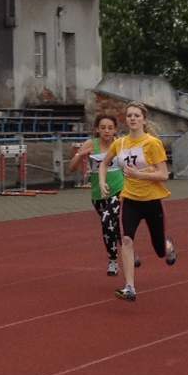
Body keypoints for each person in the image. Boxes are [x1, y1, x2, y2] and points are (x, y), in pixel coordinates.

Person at [111, 102, 177, 302]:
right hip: (130, 199)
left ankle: (168, 246)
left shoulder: (152, 143)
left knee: (159, 250)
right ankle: (129, 287)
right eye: (129, 115)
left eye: (136, 115)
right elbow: (105, 162)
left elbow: (164, 175)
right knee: (126, 240)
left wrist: (140, 174)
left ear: (144, 120)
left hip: (152, 201)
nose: (132, 118)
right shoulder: (120, 143)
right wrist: (103, 179)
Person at [66, 112, 127, 279]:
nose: (107, 131)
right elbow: (71, 168)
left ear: (115, 130)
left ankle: (114, 259)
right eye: (103, 128)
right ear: (97, 130)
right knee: (111, 225)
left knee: (108, 219)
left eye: (110, 128)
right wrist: (80, 154)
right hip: (98, 193)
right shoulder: (91, 144)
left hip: (119, 189)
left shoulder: (120, 144)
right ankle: (123, 250)